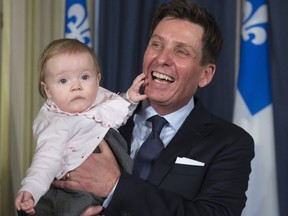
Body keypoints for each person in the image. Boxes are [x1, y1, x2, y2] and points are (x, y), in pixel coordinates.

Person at [54, 1, 255, 215]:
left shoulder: (229, 143)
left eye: (181, 51)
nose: (162, 59)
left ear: (205, 75)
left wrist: (115, 185)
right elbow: (37, 202)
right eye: (157, 45)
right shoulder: (93, 117)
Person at [15, 38, 147, 215]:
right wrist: (31, 189)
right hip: (74, 191)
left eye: (85, 77)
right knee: (70, 206)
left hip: (114, 187)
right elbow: (45, 161)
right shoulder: (56, 124)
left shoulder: (98, 100)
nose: (76, 86)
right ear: (47, 90)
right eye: (63, 81)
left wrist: (129, 98)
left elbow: (115, 114)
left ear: (98, 80)